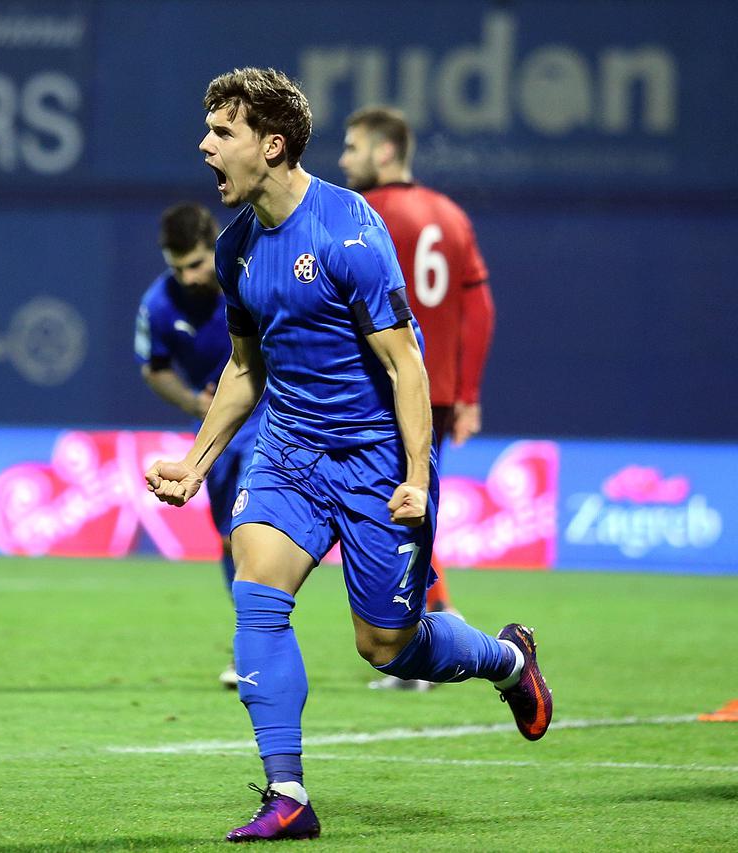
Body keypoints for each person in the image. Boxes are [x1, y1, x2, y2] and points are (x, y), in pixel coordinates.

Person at [143, 67, 551, 843]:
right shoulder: (235, 251)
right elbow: (244, 368)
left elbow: (407, 366)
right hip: (290, 452)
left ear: (271, 144)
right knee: (256, 591)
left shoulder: (350, 230)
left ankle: (507, 659)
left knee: (388, 647)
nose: (205, 145)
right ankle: (287, 793)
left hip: (374, 459)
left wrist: (417, 478)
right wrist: (196, 463)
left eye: (221, 132)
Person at [338, 106, 497, 691]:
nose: (344, 159)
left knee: (391, 510)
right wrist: (469, 391)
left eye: (353, 148)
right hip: (439, 390)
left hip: (379, 388)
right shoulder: (451, 215)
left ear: (384, 152)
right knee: (414, 503)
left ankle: (426, 636)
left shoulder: (363, 212)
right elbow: (479, 307)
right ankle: (432, 622)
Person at [135, 203, 267, 689]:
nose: (188, 277)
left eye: (195, 263)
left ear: (213, 245)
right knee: (232, 537)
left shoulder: (250, 275)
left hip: (274, 414)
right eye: (176, 267)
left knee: (251, 527)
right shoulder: (158, 306)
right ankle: (253, 641)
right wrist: (195, 403)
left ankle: (256, 645)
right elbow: (154, 368)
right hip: (217, 427)